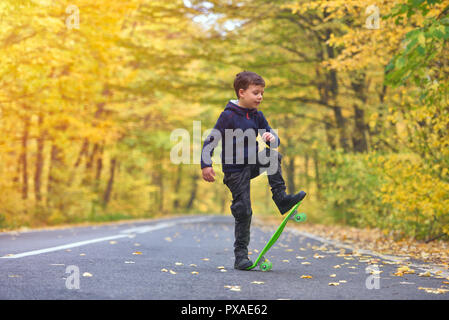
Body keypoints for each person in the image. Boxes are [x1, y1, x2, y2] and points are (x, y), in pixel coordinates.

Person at [200, 71, 306, 270]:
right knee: (244, 211)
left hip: (252, 163)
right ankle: (241, 257)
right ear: (241, 93)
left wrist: (272, 139)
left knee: (273, 156)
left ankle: (281, 199)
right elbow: (211, 140)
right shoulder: (228, 116)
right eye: (256, 93)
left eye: (262, 93)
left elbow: (273, 138)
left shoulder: (257, 116)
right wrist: (206, 164)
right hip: (234, 171)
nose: (260, 97)